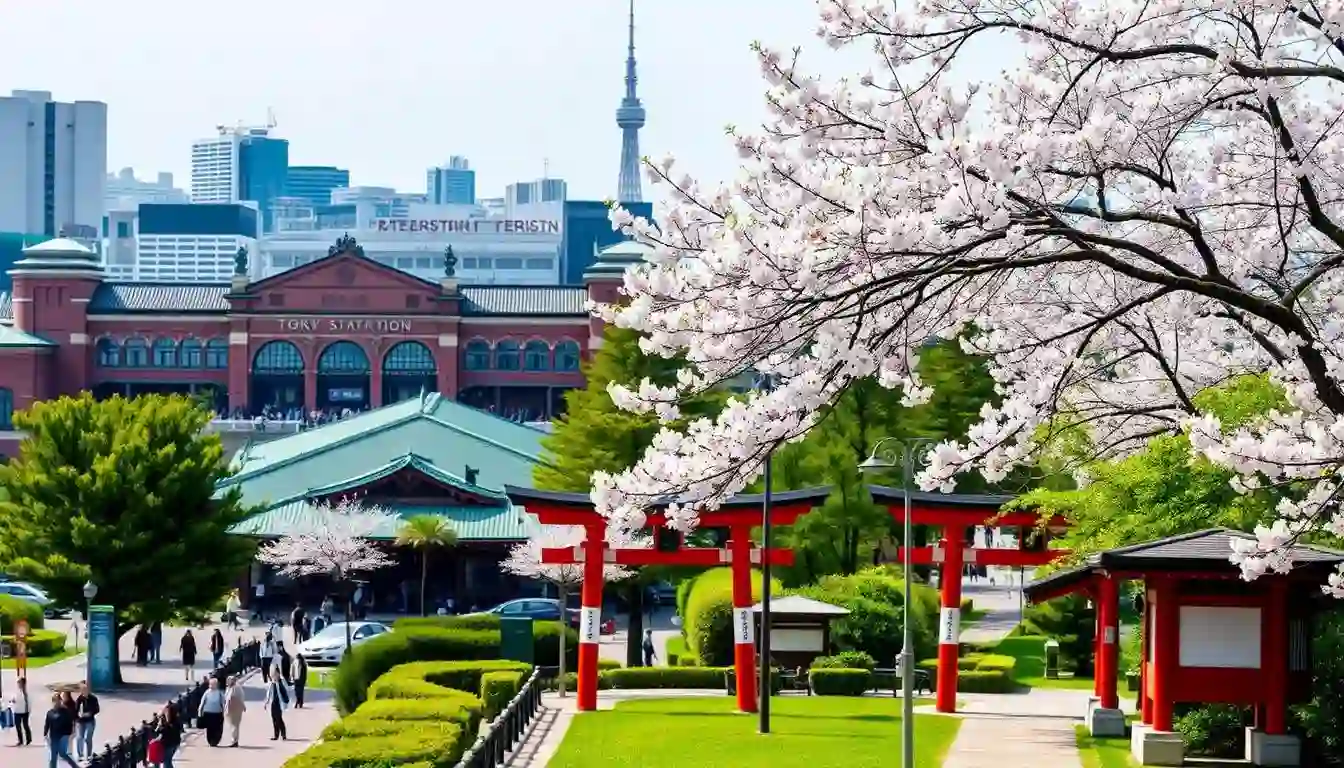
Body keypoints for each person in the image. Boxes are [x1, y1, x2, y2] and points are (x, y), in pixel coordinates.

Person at [42, 692, 78, 768]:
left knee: (62, 753)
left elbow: (70, 723)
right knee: (53, 755)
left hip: (63, 735)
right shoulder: (50, 713)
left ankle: (75, 766)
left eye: (58, 700)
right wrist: (45, 734)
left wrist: (69, 733)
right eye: (55, 701)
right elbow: (47, 724)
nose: (57, 702)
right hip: (54, 736)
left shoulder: (65, 711)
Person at [72, 682, 99, 761]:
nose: (84, 691)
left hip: (90, 721)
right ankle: (80, 755)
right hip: (80, 722)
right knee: (79, 738)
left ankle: (89, 755)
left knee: (88, 738)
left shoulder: (93, 698)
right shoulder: (79, 699)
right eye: (82, 690)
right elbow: (75, 711)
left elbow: (97, 709)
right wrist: (78, 716)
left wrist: (90, 713)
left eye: (85, 689)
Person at [196, 677, 226, 747]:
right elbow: (202, 702)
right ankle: (210, 741)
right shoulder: (207, 692)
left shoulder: (219, 693)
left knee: (217, 728)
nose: (212, 686)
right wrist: (200, 712)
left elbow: (223, 703)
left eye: (214, 684)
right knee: (210, 729)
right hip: (208, 713)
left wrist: (225, 712)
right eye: (211, 684)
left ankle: (215, 741)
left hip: (217, 713)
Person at [262, 668, 289, 741]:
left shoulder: (280, 683)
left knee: (279, 719)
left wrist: (286, 701)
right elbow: (269, 694)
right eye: (273, 674)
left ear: (278, 674)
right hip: (273, 703)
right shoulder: (272, 684)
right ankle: (276, 735)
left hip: (279, 703)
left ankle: (283, 734)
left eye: (276, 673)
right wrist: (266, 702)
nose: (274, 675)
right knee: (274, 719)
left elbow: (285, 692)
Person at [224, 676, 246, 748]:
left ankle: (234, 741)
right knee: (234, 725)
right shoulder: (231, 688)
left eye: (229, 680)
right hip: (234, 709)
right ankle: (235, 740)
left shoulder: (235, 688)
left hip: (234, 709)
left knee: (234, 725)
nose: (227, 682)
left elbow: (233, 699)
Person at [10, 676, 32, 746]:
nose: (18, 684)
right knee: (18, 726)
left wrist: (28, 710)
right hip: (17, 711)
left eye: (20, 683)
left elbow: (28, 701)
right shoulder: (17, 691)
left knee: (25, 725)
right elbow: (14, 698)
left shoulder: (26, 692)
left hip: (25, 711)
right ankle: (20, 740)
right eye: (18, 683)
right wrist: (12, 701)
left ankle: (28, 739)